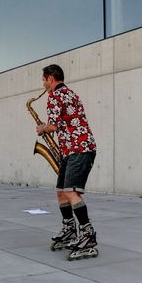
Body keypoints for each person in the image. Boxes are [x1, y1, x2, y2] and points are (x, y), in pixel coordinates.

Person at [35, 64, 99, 259]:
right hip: (73, 149)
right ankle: (70, 230)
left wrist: (42, 128)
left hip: (78, 149)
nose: (43, 83)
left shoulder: (54, 96)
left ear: (50, 78)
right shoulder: (71, 93)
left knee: (70, 191)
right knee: (62, 192)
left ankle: (88, 237)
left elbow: (53, 125)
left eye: (43, 79)